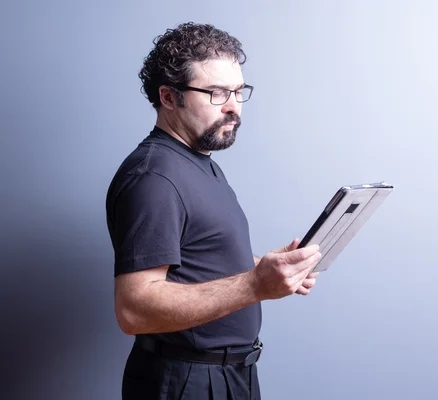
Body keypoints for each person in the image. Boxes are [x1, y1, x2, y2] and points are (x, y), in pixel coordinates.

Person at [105, 22, 322, 400]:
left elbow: (194, 259)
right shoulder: (154, 177)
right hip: (185, 381)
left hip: (229, 375)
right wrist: (256, 284)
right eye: (217, 93)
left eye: (238, 91)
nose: (233, 107)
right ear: (169, 98)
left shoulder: (199, 161)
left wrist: (266, 267)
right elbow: (134, 309)